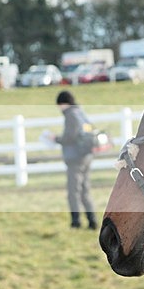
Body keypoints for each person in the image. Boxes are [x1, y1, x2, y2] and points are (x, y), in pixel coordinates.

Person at [53, 90, 97, 229]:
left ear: (63, 103)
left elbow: (69, 137)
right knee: (85, 190)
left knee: (74, 191)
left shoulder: (70, 115)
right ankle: (92, 220)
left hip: (75, 158)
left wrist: (55, 139)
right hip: (86, 156)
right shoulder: (80, 112)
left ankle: (76, 222)